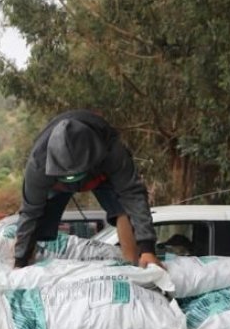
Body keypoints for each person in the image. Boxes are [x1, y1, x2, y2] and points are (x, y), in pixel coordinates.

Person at [15, 109, 160, 268]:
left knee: (124, 210)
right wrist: (19, 262)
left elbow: (133, 195)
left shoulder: (112, 152)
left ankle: (134, 266)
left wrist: (148, 249)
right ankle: (25, 264)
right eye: (67, 177)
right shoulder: (38, 165)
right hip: (54, 179)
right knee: (36, 222)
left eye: (76, 175)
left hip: (99, 175)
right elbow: (30, 212)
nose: (73, 181)